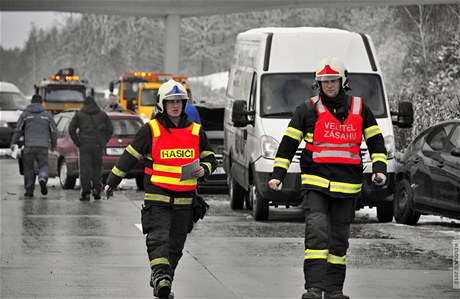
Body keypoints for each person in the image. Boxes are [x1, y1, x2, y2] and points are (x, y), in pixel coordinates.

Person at [268, 56, 387, 299]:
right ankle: (313, 288)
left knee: (339, 241)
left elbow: (376, 141)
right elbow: (288, 144)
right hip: (316, 184)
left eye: (333, 81)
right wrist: (277, 175)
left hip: (347, 187)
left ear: (343, 82)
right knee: (317, 232)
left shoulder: (360, 108)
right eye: (324, 82)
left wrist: (380, 169)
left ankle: (334, 290)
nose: (329, 85)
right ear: (318, 84)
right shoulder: (307, 109)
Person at [103, 79, 217, 299]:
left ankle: (162, 278)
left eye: (179, 101)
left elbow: (210, 157)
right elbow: (129, 156)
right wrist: (111, 181)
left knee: (175, 246)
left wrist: (205, 168)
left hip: (185, 201)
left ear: (184, 104)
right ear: (162, 104)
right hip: (158, 198)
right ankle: (161, 276)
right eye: (170, 101)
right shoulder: (151, 130)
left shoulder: (196, 131)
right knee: (158, 240)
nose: (175, 105)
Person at [10, 94, 57, 198]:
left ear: (31, 102)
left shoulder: (25, 114)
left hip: (29, 146)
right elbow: (54, 131)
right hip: (43, 146)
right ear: (41, 103)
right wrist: (53, 145)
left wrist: (13, 143)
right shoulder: (47, 115)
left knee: (28, 168)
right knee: (43, 165)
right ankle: (42, 178)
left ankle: (29, 190)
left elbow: (18, 130)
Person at [69, 96, 113, 201]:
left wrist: (78, 142)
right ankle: (97, 190)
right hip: (97, 145)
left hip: (84, 145)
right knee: (97, 168)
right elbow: (110, 129)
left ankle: (86, 193)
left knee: (85, 169)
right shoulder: (102, 114)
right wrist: (104, 141)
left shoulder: (79, 114)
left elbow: (71, 129)